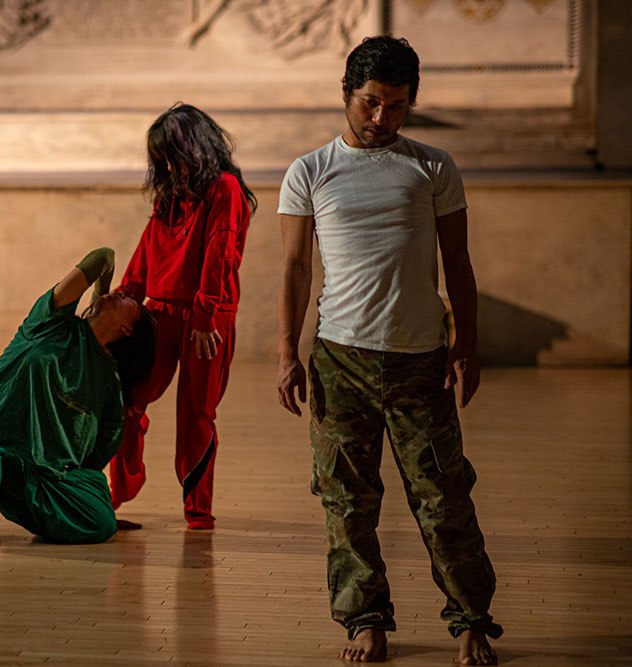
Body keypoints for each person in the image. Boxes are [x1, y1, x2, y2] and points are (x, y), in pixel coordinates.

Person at [276, 37, 501, 665]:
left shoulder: (433, 167)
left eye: (397, 107)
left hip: (419, 359)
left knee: (443, 495)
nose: (381, 119)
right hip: (338, 360)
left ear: (411, 104)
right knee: (345, 500)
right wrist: (285, 353)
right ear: (346, 94)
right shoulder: (310, 171)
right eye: (371, 103)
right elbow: (294, 269)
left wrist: (468, 345)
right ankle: (365, 620)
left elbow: (457, 262)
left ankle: (470, 621)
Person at [0, 247, 156, 545]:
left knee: (101, 523)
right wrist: (101, 298)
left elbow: (94, 458)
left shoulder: (109, 383)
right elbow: (102, 258)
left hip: (37, 476)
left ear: (128, 330)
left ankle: (49, 503)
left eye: (129, 299)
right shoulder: (49, 322)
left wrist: (84, 501)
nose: (121, 292)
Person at [110, 102, 257, 530]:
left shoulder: (225, 188)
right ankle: (116, 496)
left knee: (196, 414)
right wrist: (124, 300)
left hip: (205, 320)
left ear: (195, 147)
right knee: (128, 401)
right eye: (161, 160)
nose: (168, 167)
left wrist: (206, 315)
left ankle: (198, 513)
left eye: (172, 155)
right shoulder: (170, 197)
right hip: (158, 316)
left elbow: (221, 254)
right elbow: (144, 257)